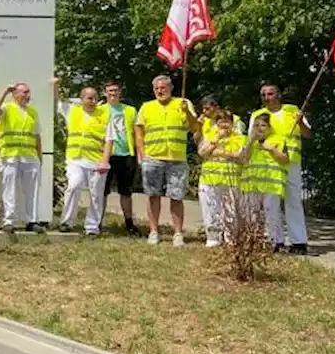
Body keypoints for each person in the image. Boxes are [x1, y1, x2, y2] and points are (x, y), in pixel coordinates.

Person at [134, 74, 201, 246]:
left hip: (177, 159)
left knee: (177, 197)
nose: (159, 91)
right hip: (153, 158)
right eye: (156, 88)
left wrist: (186, 112)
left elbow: (195, 128)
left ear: (171, 88)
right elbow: (139, 132)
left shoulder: (183, 103)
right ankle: (154, 231)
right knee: (152, 196)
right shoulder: (146, 107)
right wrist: (142, 154)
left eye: (163, 87)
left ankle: (178, 233)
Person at [251, 84, 310, 254]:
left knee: (293, 201)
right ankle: (274, 240)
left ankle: (298, 242)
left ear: (278, 95)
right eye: (263, 94)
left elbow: (307, 134)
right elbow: (252, 139)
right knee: (271, 202)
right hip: (268, 163)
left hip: (291, 162)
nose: (267, 97)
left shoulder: (293, 110)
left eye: (270, 94)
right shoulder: (257, 115)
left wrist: (300, 121)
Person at [56, 83, 111, 236]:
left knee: (96, 194)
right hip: (75, 159)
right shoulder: (71, 111)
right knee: (74, 186)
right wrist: (56, 84)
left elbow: (109, 140)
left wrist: (105, 161)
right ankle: (67, 222)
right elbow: (56, 99)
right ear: (82, 99)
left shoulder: (105, 115)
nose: (92, 101)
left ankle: (92, 227)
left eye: (95, 98)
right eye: (89, 98)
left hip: (96, 161)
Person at [0, 82, 42, 233]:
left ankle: (32, 221)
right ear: (15, 94)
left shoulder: (33, 112)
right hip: (10, 155)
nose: (27, 95)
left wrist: (40, 158)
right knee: (9, 189)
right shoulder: (7, 108)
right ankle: (9, 221)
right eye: (24, 92)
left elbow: (37, 135)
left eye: (28, 92)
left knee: (31, 190)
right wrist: (5, 92)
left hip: (30, 156)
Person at [239, 112, 292, 250]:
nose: (259, 128)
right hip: (252, 183)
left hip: (271, 184)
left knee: (272, 213)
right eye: (256, 125)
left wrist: (272, 149)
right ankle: (252, 240)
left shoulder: (279, 139)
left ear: (269, 127)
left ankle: (273, 241)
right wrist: (250, 142)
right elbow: (243, 159)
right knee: (251, 213)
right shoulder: (248, 141)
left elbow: (285, 159)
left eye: (263, 125)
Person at [196, 110, 245, 247]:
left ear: (232, 123)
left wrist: (218, 152)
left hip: (231, 180)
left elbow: (241, 156)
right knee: (210, 210)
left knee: (230, 211)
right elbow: (202, 152)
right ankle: (213, 238)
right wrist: (216, 140)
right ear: (216, 123)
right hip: (210, 180)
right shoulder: (209, 135)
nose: (224, 124)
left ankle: (230, 239)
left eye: (227, 121)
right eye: (220, 121)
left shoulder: (240, 138)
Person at [100, 81, 140, 235]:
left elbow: (137, 133)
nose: (113, 93)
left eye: (115, 90)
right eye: (109, 91)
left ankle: (129, 223)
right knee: (102, 191)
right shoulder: (100, 110)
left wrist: (139, 153)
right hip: (106, 155)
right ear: (105, 93)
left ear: (120, 92)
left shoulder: (130, 110)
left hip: (126, 154)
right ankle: (97, 222)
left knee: (126, 191)